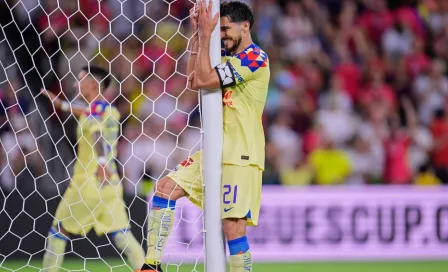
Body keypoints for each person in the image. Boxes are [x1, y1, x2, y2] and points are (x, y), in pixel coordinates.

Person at [138, 0, 270, 271]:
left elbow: (204, 80)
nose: (222, 35)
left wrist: (207, 34)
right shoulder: (227, 58)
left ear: (245, 26)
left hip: (241, 154)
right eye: (219, 30)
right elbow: (192, 78)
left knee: (233, 228)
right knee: (164, 188)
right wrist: (197, 32)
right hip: (215, 150)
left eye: (225, 29)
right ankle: (151, 265)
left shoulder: (256, 58)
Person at [41, 66, 144, 271]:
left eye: (79, 80)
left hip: (88, 181)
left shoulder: (93, 114)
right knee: (122, 234)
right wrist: (61, 105)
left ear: (93, 84)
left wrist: (102, 162)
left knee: (58, 230)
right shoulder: (107, 109)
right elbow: (83, 110)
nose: (74, 84)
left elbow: (97, 133)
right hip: (110, 183)